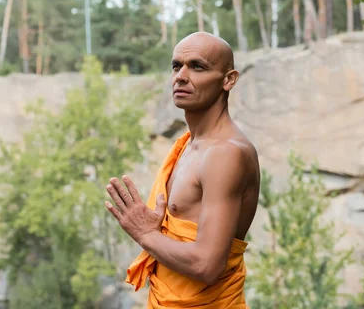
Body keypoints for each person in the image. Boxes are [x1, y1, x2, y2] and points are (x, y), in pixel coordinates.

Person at [105, 32, 260, 308]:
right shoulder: (187, 145)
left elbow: (207, 265)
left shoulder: (226, 153)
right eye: (177, 66)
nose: (181, 76)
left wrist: (145, 234)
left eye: (197, 66)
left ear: (229, 80)